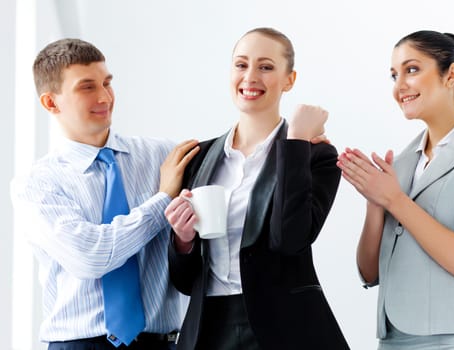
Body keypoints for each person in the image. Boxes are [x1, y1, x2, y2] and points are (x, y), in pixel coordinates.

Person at [337, 30, 454, 349]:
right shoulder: (401, 164)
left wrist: (393, 199)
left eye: (411, 70)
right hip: (394, 338)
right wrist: (374, 203)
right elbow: (370, 274)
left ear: (451, 74)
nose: (399, 87)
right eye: (394, 75)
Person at [164, 27, 350, 350]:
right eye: (241, 65)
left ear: (289, 79)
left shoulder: (314, 155)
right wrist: (182, 240)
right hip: (209, 329)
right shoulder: (199, 158)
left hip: (286, 330)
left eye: (265, 67)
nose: (250, 77)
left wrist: (295, 143)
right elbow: (184, 281)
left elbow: (289, 239)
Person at [10, 38, 200, 349]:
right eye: (87, 87)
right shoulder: (36, 184)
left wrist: (299, 147)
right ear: (50, 103)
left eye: (107, 83)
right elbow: (90, 257)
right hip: (79, 343)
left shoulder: (162, 158)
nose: (104, 96)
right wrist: (162, 200)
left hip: (162, 342)